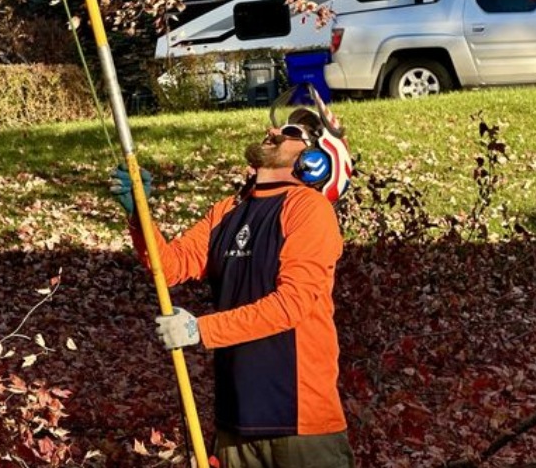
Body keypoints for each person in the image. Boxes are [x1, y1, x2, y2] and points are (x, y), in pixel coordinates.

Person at [109, 86, 356, 468]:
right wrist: (138, 214)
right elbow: (171, 265)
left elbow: (292, 305)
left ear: (316, 161)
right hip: (236, 422)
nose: (272, 132)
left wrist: (199, 331)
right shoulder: (228, 210)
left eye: (290, 134)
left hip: (302, 427)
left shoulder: (308, 210)